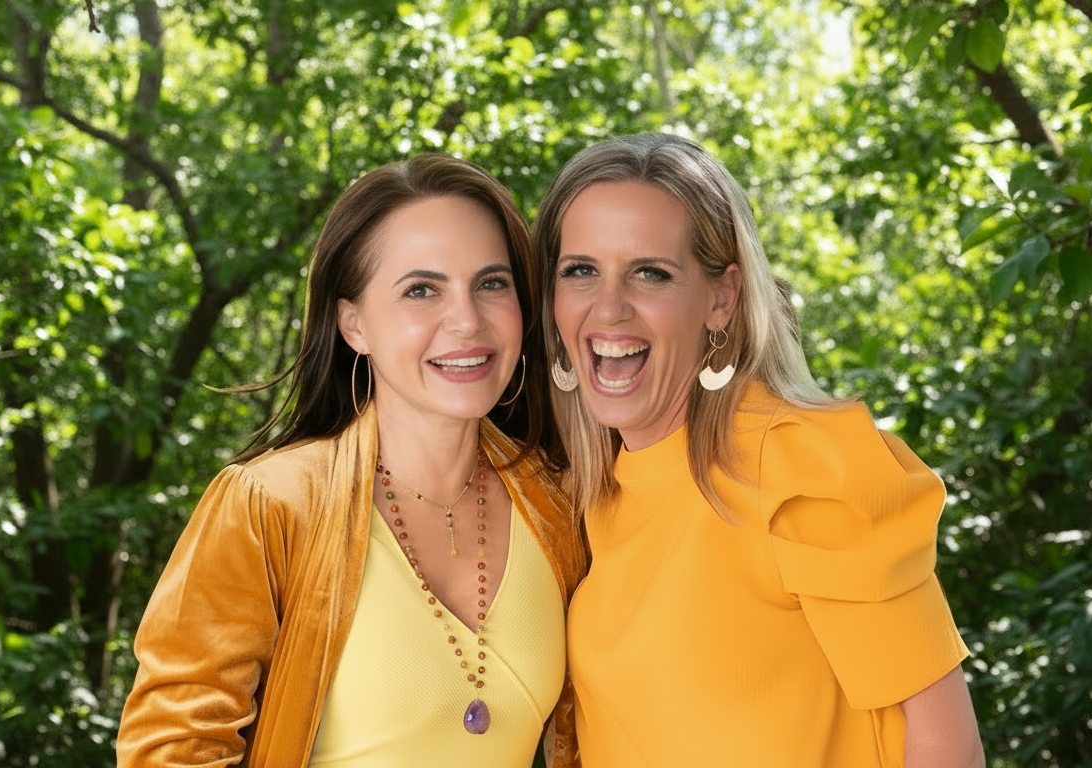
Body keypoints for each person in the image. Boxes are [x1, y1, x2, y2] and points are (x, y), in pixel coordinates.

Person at [116, 154, 585, 768]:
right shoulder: (268, 505)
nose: (467, 320)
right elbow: (171, 751)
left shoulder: (559, 501)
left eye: (492, 283)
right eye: (422, 289)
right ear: (354, 324)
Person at [533, 133, 984, 767]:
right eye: (580, 271)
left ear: (722, 298)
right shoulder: (585, 494)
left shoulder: (799, 461)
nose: (608, 307)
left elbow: (948, 748)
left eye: (650, 273)